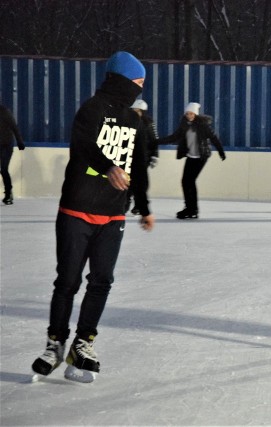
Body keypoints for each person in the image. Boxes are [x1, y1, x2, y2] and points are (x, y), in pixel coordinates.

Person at [31, 51, 155, 383]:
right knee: (67, 282)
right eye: (138, 82)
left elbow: (138, 165)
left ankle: (83, 344)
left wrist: (142, 205)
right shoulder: (92, 109)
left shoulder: (134, 120)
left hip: (113, 215)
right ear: (121, 79)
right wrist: (108, 167)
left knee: (102, 281)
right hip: (77, 209)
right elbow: (84, 146)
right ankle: (55, 344)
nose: (140, 89)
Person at [157, 102, 226, 219]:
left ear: (196, 114)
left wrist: (221, 152)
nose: (189, 116)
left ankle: (192, 209)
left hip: (201, 157)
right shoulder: (184, 125)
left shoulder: (203, 125)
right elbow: (174, 137)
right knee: (185, 181)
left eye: (191, 113)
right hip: (191, 156)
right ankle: (190, 208)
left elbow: (214, 138)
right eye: (187, 113)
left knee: (190, 181)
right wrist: (156, 142)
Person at [128, 99, 159, 215]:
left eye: (138, 111)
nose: (135, 113)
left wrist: (155, 155)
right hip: (129, 156)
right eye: (133, 111)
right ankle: (125, 202)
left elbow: (154, 140)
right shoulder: (128, 122)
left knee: (140, 182)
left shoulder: (148, 123)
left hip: (143, 157)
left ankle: (139, 205)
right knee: (128, 181)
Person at [0, 104, 25, 205]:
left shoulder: (4, 112)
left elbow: (14, 127)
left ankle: (8, 193)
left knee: (4, 169)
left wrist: (20, 141)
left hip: (6, 146)